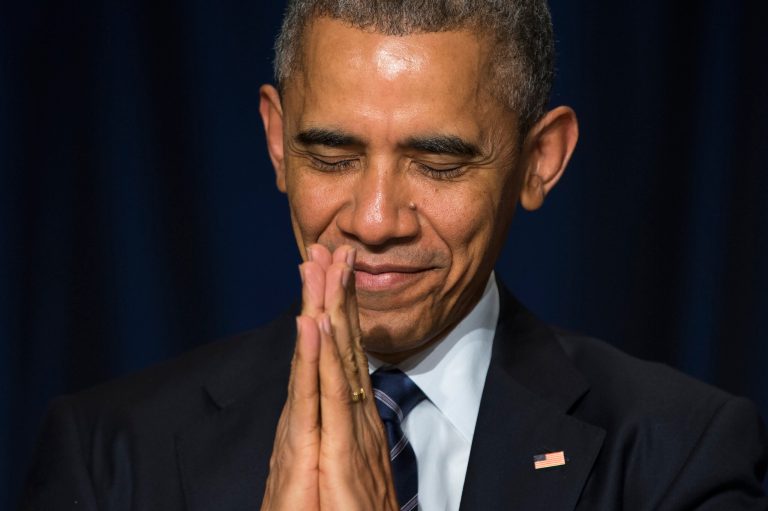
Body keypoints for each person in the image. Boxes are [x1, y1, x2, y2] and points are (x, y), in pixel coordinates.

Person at [21, 1, 768, 510]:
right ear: (277, 141)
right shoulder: (106, 459)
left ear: (540, 160)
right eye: (332, 154)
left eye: (437, 164)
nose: (374, 222)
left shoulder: (682, 460)